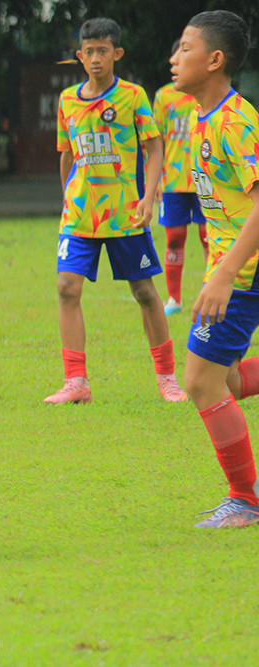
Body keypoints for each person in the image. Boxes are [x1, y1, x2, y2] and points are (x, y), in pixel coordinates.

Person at [45, 17, 186, 405]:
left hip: (126, 214)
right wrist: (67, 198)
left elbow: (153, 147)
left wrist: (149, 196)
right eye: (89, 51)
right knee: (66, 287)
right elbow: (66, 155)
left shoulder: (132, 96)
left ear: (116, 54)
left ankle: (167, 378)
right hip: (80, 215)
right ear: (79, 56)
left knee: (144, 292)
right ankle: (76, 382)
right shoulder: (67, 100)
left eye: (102, 51)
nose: (95, 58)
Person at [171, 11, 259, 527]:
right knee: (223, 378)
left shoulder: (235, 121)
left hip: (245, 269)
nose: (174, 58)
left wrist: (225, 275)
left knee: (201, 381)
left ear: (214, 60)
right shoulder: (202, 117)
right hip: (232, 266)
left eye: (185, 48)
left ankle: (245, 500)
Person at [153, 42, 208, 317]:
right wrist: (154, 180)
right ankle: (174, 298)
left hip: (205, 178)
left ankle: (210, 292)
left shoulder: (208, 93)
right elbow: (155, 141)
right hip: (173, 179)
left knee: (209, 236)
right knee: (175, 236)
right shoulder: (164, 97)